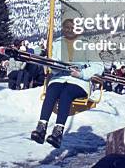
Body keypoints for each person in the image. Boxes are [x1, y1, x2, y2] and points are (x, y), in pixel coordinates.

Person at [31, 19, 103, 148]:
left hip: (79, 81)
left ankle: (58, 133)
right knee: (51, 91)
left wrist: (81, 74)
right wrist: (53, 63)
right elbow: (51, 62)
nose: (70, 31)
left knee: (66, 94)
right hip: (59, 77)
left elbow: (98, 66)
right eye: (67, 28)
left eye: (73, 28)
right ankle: (41, 128)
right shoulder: (57, 44)